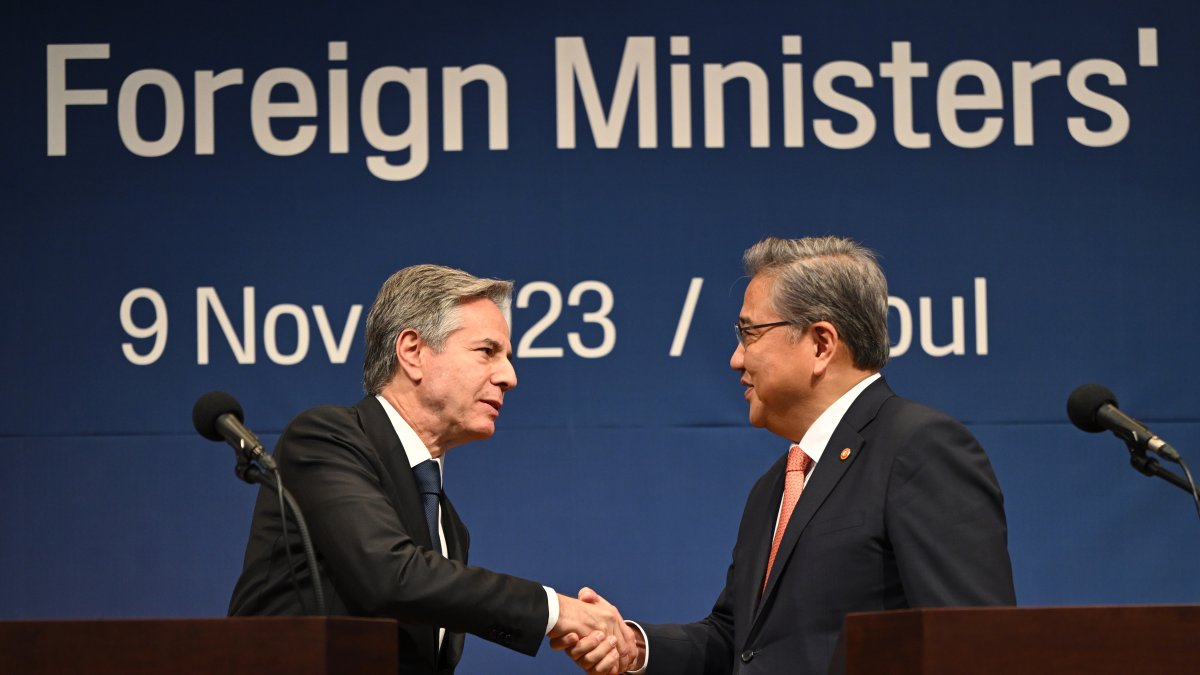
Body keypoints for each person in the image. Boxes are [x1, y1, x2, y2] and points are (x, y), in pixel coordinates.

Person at [556, 236, 1015, 675]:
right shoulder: (778, 483)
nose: (736, 359)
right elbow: (739, 643)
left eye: (750, 333)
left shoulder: (919, 448)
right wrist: (635, 647)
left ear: (820, 344)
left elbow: (974, 644)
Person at [229, 264, 633, 675]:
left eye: (507, 357)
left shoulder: (449, 526)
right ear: (412, 352)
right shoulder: (324, 439)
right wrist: (553, 610)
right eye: (487, 351)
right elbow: (389, 575)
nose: (509, 376)